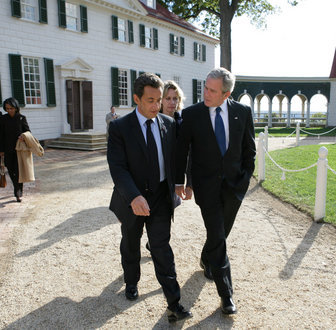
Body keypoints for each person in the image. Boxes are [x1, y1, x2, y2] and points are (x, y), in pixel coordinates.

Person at [107, 73, 191, 323]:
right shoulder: (120, 127)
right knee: (131, 243)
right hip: (131, 199)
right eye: (151, 100)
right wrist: (133, 196)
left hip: (161, 199)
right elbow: (117, 167)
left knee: (161, 248)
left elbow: (176, 157)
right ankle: (131, 281)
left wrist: (179, 182)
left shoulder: (169, 123)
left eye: (159, 100)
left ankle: (174, 303)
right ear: (136, 98)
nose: (157, 106)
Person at [175, 68, 256, 315]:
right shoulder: (191, 115)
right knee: (219, 237)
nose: (206, 93)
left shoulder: (242, 113)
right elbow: (182, 152)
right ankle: (226, 295)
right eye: (205, 88)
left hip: (235, 187)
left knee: (220, 233)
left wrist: (244, 180)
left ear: (226, 93)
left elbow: (249, 151)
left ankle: (205, 257)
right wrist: (182, 182)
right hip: (206, 188)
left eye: (212, 90)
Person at [0, 97, 30, 203]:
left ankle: (18, 191)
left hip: (19, 150)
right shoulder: (3, 119)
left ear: (16, 107)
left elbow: (28, 132)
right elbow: (1, 135)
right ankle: (16, 187)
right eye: (7, 108)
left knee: (18, 171)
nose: (9, 110)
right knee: (11, 171)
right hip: (7, 149)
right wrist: (1, 150)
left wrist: (23, 135)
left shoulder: (21, 118)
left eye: (11, 108)